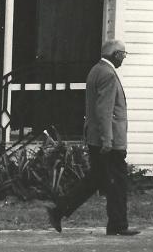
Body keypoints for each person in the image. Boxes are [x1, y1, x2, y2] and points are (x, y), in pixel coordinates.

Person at [46, 39, 139, 236]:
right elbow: (104, 110)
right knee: (117, 181)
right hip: (109, 140)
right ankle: (118, 225)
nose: (124, 57)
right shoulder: (108, 74)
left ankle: (59, 211)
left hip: (97, 137)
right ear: (115, 55)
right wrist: (108, 140)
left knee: (95, 180)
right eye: (123, 54)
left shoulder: (96, 70)